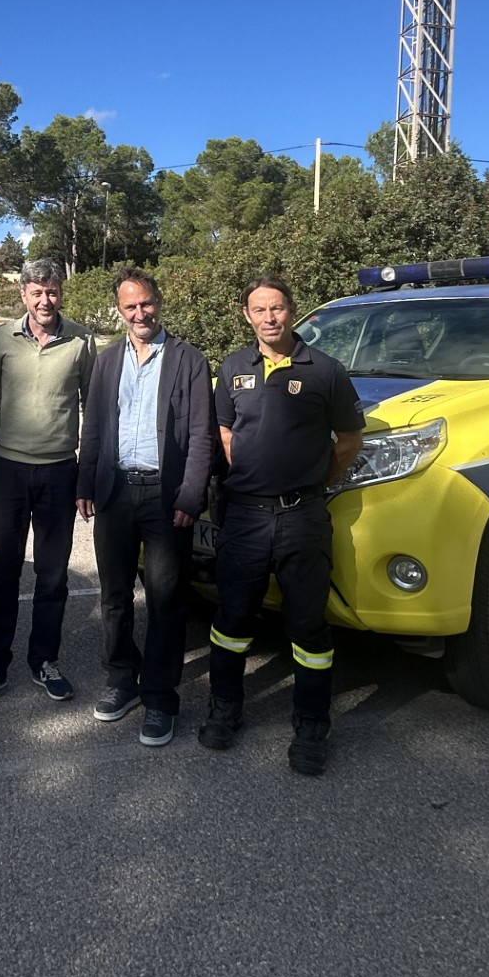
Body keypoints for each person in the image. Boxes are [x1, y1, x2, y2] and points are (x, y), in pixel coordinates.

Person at [201, 274, 365, 775]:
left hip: (302, 517)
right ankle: (225, 710)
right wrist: (254, 476)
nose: (269, 318)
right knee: (232, 621)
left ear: (292, 310)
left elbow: (349, 441)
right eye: (259, 310)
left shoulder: (326, 371)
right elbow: (225, 433)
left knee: (308, 626)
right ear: (246, 316)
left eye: (277, 308)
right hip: (245, 516)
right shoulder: (233, 368)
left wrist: (309, 482)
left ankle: (311, 725)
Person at [75, 267, 213, 747]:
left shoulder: (189, 360)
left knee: (165, 599)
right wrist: (85, 482)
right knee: (113, 596)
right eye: (130, 306)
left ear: (159, 302)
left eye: (146, 303)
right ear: (120, 310)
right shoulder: (108, 360)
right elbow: (93, 425)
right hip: (114, 492)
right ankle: (122, 681)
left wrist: (191, 494)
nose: (140, 313)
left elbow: (201, 435)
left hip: (164, 496)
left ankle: (160, 698)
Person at [0, 259, 96, 706]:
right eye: (36, 292)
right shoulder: (1, 337)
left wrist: (87, 474)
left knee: (52, 575)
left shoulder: (82, 340)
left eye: (52, 291)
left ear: (61, 293)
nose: (45, 300)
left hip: (60, 472)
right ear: (23, 294)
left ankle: (44, 660)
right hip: (8, 470)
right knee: (4, 570)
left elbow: (93, 408)